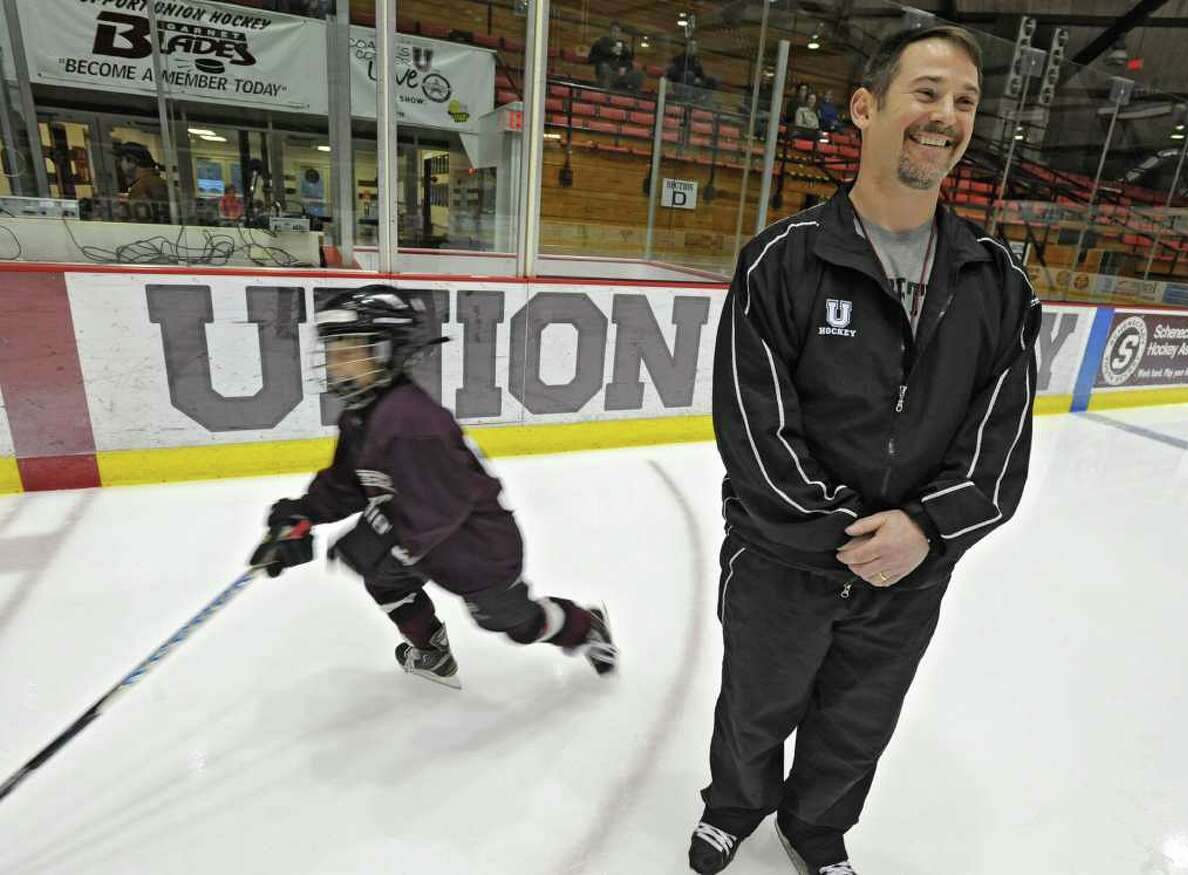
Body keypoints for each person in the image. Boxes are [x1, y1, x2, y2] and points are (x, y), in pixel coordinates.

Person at [689, 24, 1040, 874]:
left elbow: (997, 451)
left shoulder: (999, 282)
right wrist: (850, 534)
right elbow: (754, 428)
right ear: (865, 108)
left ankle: (815, 830)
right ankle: (734, 804)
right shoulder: (784, 258)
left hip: (911, 568)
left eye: (964, 102)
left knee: (859, 718)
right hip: (784, 561)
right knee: (755, 705)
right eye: (925, 93)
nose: (946, 116)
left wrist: (922, 530)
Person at [251, 285, 617, 689]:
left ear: (385, 351)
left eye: (348, 352)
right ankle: (432, 652)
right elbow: (348, 483)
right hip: (420, 544)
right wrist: (302, 515)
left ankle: (585, 627)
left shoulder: (411, 422)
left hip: (477, 549)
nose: (336, 365)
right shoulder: (362, 415)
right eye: (333, 353)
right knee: (386, 579)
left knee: (513, 622)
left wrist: (368, 540)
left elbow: (434, 512)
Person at [115, 141, 169, 223]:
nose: (119, 164)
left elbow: (138, 226)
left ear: (131, 161)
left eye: (121, 160)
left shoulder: (140, 188)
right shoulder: (159, 182)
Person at [588, 22, 645, 93]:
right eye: (614, 31)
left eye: (618, 32)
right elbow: (591, 59)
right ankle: (606, 94)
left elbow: (628, 61)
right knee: (605, 68)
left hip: (620, 73)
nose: (616, 34)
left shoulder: (622, 46)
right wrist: (610, 51)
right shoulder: (600, 43)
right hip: (607, 73)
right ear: (609, 32)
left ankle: (635, 97)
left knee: (639, 74)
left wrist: (625, 68)